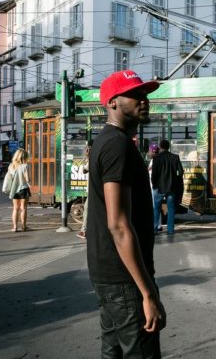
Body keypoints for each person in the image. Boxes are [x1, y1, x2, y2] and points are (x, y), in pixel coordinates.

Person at [87, 69, 166, 357]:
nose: (144, 100)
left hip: (110, 274)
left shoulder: (108, 142)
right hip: (124, 280)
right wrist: (147, 294)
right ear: (112, 103)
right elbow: (118, 225)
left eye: (144, 94)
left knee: (114, 352)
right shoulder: (117, 145)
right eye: (134, 94)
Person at [151, 140, 184, 235]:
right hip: (171, 187)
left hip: (158, 187)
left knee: (156, 208)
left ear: (160, 147)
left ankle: (155, 228)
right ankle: (170, 230)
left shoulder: (156, 158)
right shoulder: (175, 157)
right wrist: (175, 180)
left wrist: (154, 184)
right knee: (171, 208)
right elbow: (181, 172)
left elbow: (154, 174)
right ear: (169, 147)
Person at [7, 148, 31, 232]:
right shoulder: (25, 166)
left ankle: (15, 227)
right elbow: (28, 179)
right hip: (23, 189)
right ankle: (24, 226)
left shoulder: (11, 166)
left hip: (14, 190)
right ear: (24, 157)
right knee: (23, 208)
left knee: (15, 208)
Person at [77, 141, 93, 239]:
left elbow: (84, 170)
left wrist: (87, 157)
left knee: (86, 209)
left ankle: (84, 231)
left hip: (93, 190)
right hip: (96, 189)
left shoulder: (91, 160)